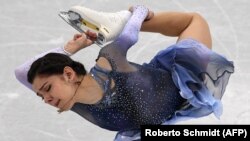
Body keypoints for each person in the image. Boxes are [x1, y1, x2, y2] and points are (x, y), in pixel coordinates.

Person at [14, 5, 234, 141]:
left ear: (69, 75)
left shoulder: (108, 63)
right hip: (148, 128)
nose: (47, 100)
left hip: (181, 79)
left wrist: (137, 14)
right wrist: (69, 49)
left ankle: (119, 19)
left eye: (47, 89)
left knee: (194, 21)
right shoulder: (71, 101)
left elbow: (128, 36)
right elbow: (22, 72)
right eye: (41, 96)